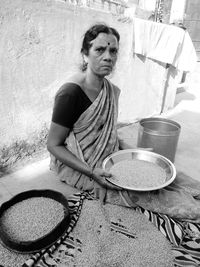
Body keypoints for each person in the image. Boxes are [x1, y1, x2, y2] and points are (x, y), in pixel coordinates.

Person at [47, 23, 200, 222]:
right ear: (85, 54)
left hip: (108, 158)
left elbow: (105, 132)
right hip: (79, 165)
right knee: (167, 202)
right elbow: (53, 144)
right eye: (100, 49)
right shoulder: (71, 93)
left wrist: (130, 151)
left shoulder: (110, 90)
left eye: (113, 51)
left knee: (177, 179)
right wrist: (92, 173)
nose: (108, 56)